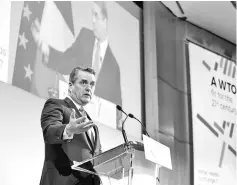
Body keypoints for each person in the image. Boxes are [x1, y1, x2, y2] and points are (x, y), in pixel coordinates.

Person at [31, 1, 122, 107]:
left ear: (105, 21)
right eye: (92, 15)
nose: (93, 21)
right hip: (74, 113)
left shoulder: (113, 67)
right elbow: (65, 62)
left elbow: (117, 108)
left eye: (96, 16)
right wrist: (44, 47)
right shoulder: (85, 37)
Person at [40, 66, 102, 185]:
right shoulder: (56, 105)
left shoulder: (92, 125)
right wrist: (68, 129)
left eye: (92, 84)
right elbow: (49, 132)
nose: (88, 88)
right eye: (83, 83)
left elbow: (97, 157)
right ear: (70, 85)